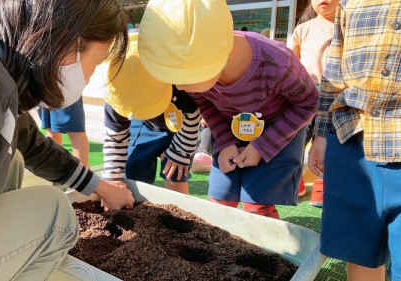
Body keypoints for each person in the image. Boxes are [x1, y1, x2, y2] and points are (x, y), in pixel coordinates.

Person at [0, 1, 135, 280]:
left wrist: (101, 187)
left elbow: (28, 141)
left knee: (11, 160)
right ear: (68, 42)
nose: (89, 77)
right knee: (56, 214)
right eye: (97, 62)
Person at [137, 0, 319, 219]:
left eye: (184, 79)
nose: (180, 88)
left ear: (214, 60)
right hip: (230, 126)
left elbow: (308, 102)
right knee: (220, 199)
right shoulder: (196, 67)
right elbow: (205, 103)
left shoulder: (278, 63)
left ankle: (265, 246)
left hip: (278, 128)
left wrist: (262, 146)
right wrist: (224, 142)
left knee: (257, 204)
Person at [307, 1, 401, 280]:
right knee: (358, 255)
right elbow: (333, 70)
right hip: (353, 140)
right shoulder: (350, 2)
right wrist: (321, 132)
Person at [101, 33, 201, 194]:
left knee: (175, 172)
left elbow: (192, 117)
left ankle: (180, 212)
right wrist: (113, 178)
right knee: (132, 168)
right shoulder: (116, 96)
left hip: (180, 128)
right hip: (143, 125)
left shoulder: (179, 87)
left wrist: (180, 152)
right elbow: (115, 138)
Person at [288, 0, 338, 206]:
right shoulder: (303, 28)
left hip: (335, 92)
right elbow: (290, 60)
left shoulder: (346, 25)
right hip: (306, 92)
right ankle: (295, 178)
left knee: (329, 140)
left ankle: (322, 183)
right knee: (298, 138)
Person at [37, 99, 91, 167]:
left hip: (64, 92)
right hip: (43, 92)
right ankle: (54, 166)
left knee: (74, 130)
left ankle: (83, 170)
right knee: (50, 128)